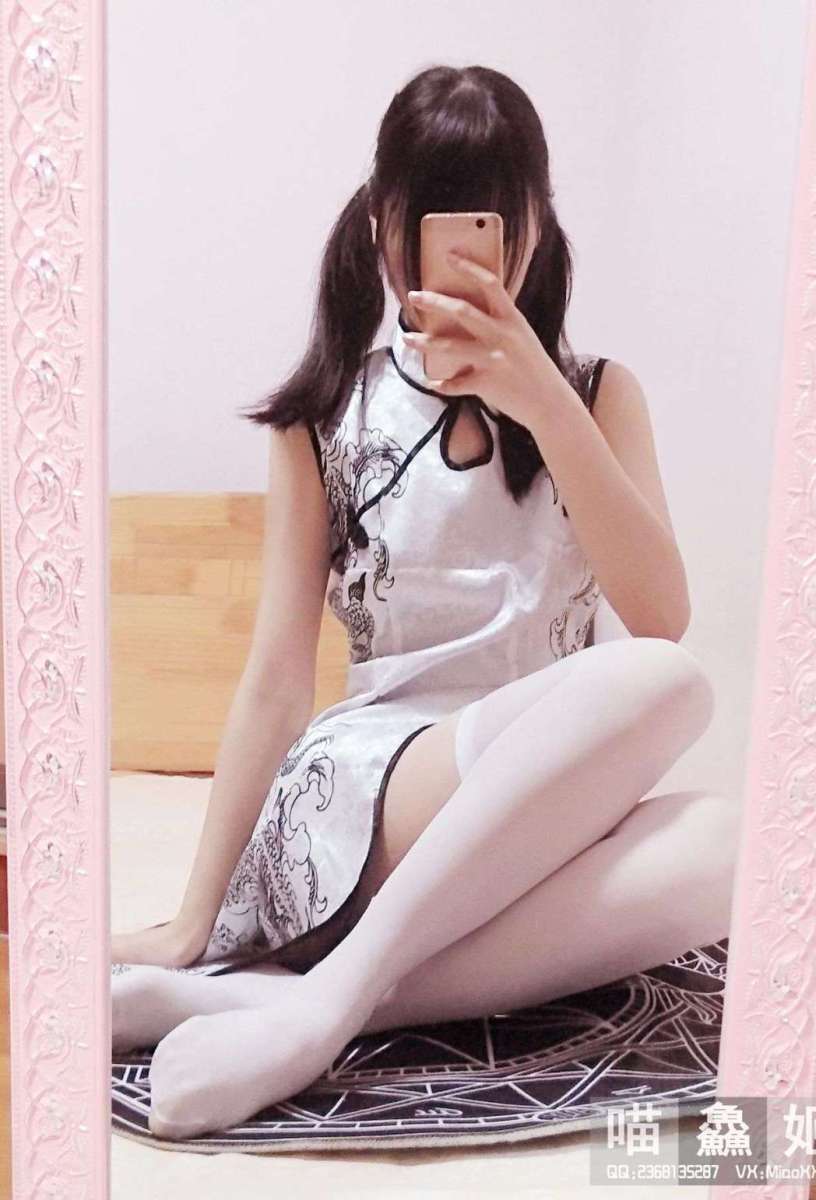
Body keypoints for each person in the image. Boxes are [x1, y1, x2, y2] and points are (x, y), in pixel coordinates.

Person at [111, 63, 739, 1141]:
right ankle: (324, 994)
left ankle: (310, 1004)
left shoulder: (595, 395)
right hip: (371, 794)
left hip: (533, 803)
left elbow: (659, 609)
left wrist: (538, 394)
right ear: (382, 227)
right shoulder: (323, 414)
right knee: (664, 685)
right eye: (433, 219)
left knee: (732, 843)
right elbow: (275, 678)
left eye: (493, 218)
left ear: (532, 228)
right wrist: (193, 920)